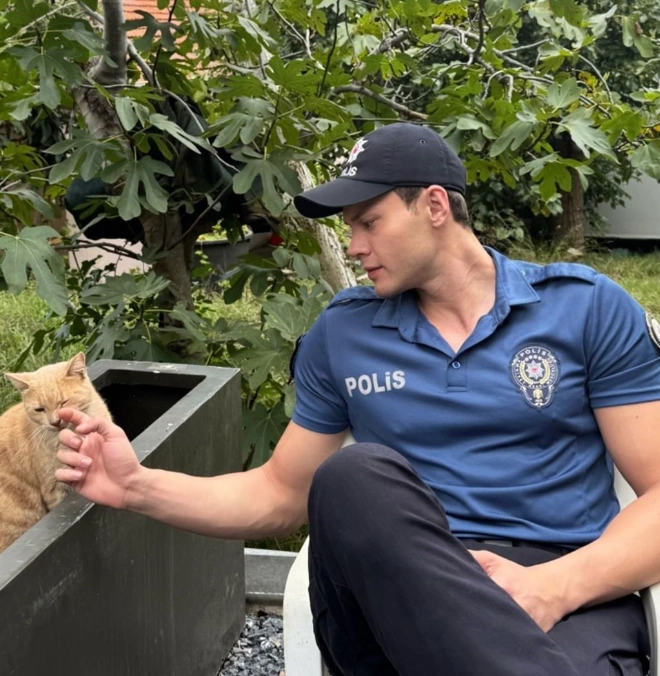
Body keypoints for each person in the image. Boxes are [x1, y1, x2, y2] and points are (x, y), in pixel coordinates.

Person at [56, 122, 660, 676]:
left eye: (368, 222)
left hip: (564, 583)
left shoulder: (585, 309)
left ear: (434, 205)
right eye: (348, 228)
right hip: (397, 587)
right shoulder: (343, 334)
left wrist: (553, 587)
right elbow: (278, 493)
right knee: (352, 476)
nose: (353, 246)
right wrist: (136, 485)